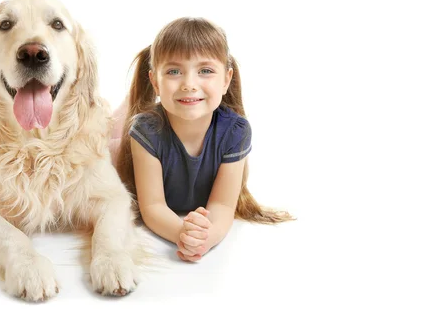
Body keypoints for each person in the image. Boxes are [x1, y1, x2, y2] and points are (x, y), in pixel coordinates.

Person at [110, 17, 294, 262]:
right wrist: (182, 234)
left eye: (205, 71)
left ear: (226, 79)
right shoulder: (146, 130)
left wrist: (207, 238)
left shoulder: (235, 131)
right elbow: (152, 206)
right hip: (120, 139)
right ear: (155, 81)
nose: (189, 84)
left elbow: (223, 205)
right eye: (174, 71)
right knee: (107, 137)